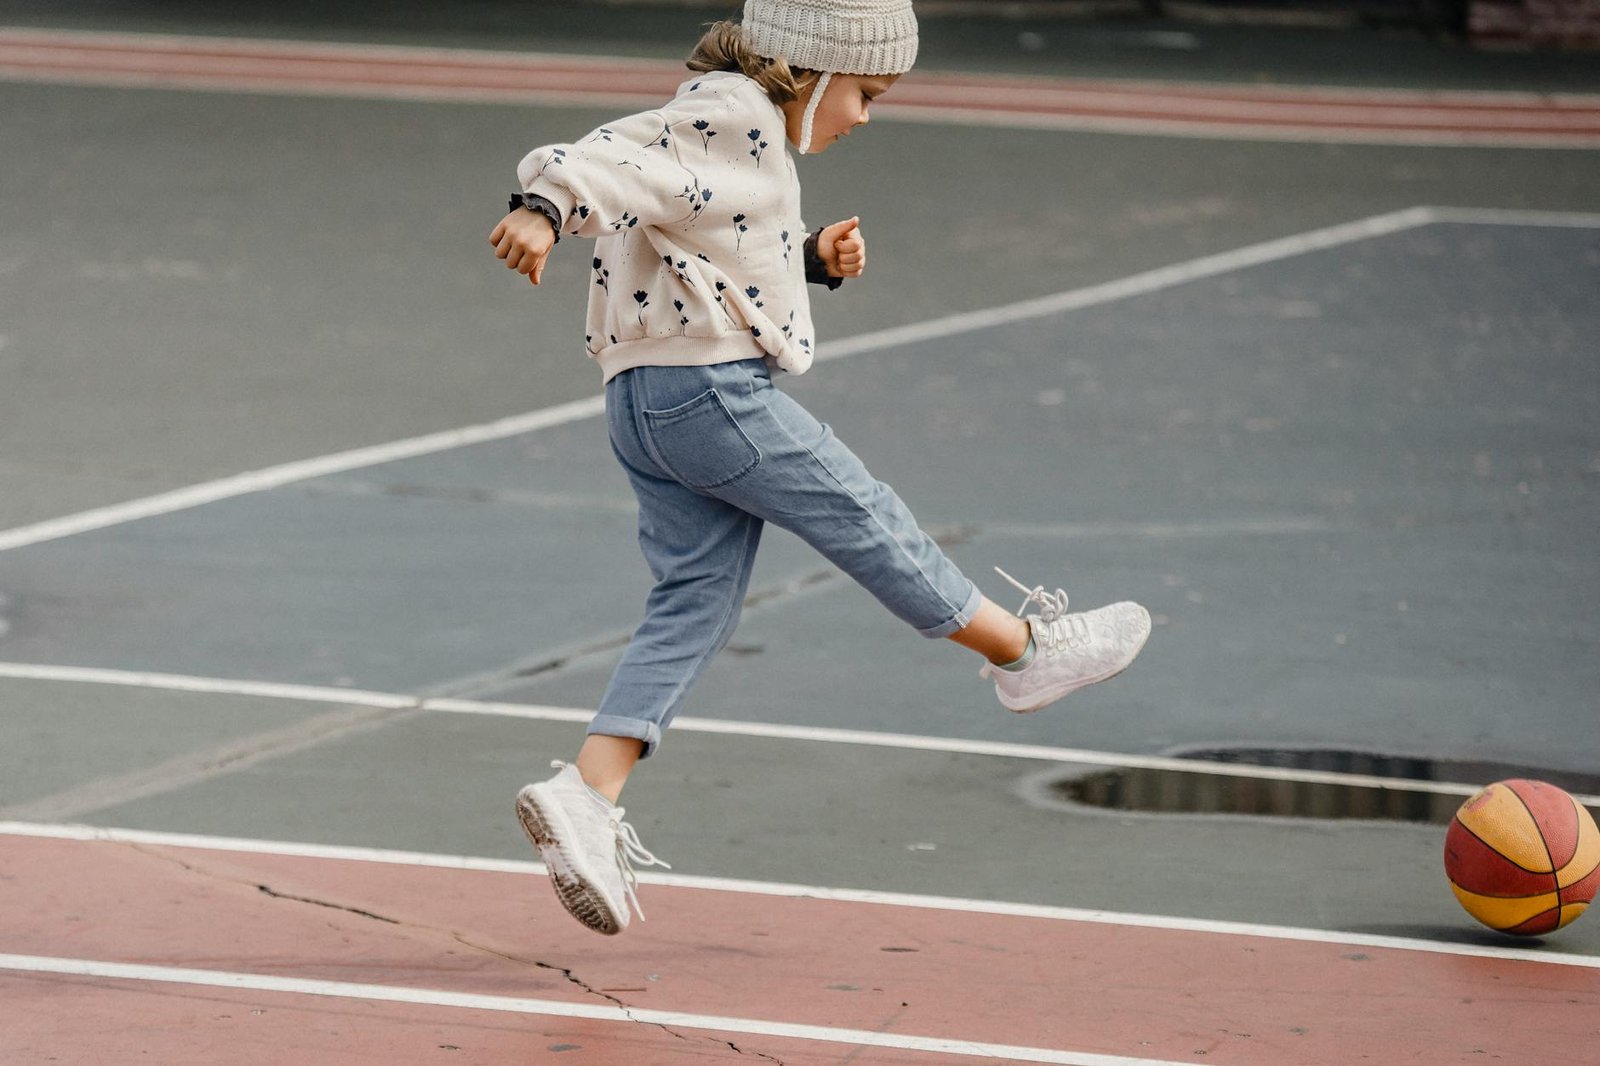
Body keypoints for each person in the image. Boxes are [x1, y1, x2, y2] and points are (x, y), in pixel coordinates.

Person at [489, 0, 1151, 936]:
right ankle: (1025, 655)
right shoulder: (735, 111)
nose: (866, 116)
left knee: (695, 600)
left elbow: (696, 233)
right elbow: (612, 157)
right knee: (861, 512)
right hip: (709, 395)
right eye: (866, 93)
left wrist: (806, 259)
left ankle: (588, 795)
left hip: (641, 403)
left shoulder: (719, 123)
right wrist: (544, 209)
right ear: (813, 72)